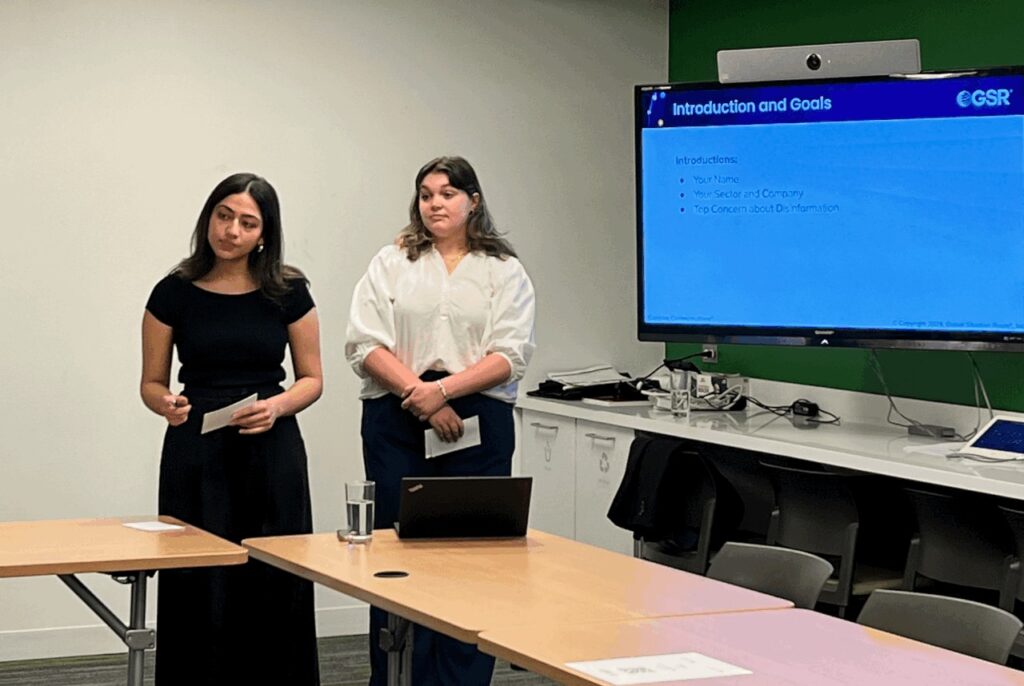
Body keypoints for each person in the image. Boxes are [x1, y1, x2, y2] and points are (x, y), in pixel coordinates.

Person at [346, 156, 536, 685]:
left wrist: (445, 391)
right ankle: (393, 676)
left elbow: (511, 356)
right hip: (396, 414)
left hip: (478, 419)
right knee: (393, 554)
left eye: (447, 193)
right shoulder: (392, 261)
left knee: (471, 560)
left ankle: (459, 681)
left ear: (473, 201)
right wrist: (421, 394)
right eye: (426, 194)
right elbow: (364, 344)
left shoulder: (504, 270)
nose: (435, 204)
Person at [140, 173, 322, 685]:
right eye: (224, 216)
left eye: (247, 222)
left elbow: (313, 379)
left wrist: (279, 407)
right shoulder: (172, 291)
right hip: (196, 448)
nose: (231, 230)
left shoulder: (288, 290)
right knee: (198, 582)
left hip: (270, 446)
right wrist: (167, 403)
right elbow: (151, 383)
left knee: (273, 577)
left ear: (263, 234)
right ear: (208, 218)